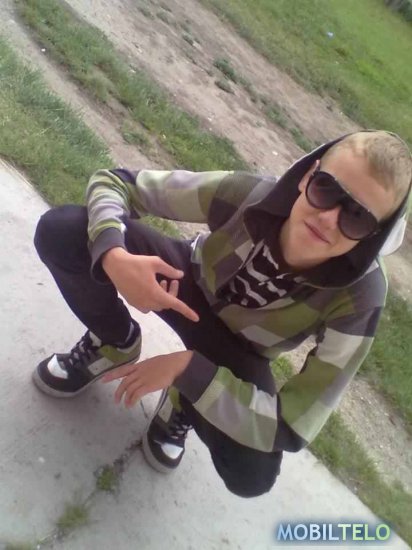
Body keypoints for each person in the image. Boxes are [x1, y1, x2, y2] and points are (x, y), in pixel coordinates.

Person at [32, 130, 412, 498]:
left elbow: (291, 424)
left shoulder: (360, 297)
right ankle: (115, 340)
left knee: (252, 473)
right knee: (63, 230)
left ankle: (185, 399)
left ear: (375, 236)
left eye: (357, 217)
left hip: (241, 351)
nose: (328, 218)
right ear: (307, 175)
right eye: (326, 188)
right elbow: (116, 182)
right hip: (187, 280)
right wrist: (114, 255)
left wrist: (192, 374)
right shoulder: (253, 195)